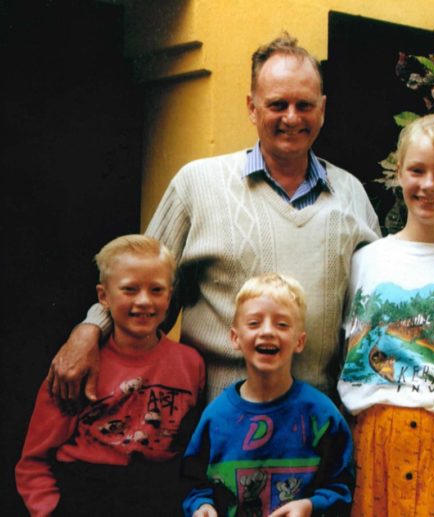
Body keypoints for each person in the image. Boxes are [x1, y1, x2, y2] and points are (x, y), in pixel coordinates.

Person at [47, 33, 381, 403]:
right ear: (252, 108)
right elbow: (142, 284)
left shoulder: (352, 194)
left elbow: (380, 303)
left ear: (322, 109)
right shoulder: (198, 185)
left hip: (317, 424)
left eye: (304, 105)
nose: (292, 117)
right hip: (215, 418)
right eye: (277, 104)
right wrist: (89, 329)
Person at [338, 114, 434, 516]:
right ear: (399, 173)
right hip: (370, 447)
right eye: (417, 170)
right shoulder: (363, 261)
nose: (428, 185)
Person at [16, 235, 206, 516]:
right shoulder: (76, 366)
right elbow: (33, 463)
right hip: (86, 497)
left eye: (156, 290)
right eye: (130, 289)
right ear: (103, 296)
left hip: (158, 499)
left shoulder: (191, 364)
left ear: (170, 295)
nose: (144, 301)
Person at [182, 273, 354, 517]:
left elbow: (342, 488)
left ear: (299, 341)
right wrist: (201, 507)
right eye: (254, 323)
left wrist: (311, 506)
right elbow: (194, 484)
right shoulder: (216, 416)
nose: (267, 332)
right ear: (235, 338)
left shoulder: (322, 416)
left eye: (282, 325)